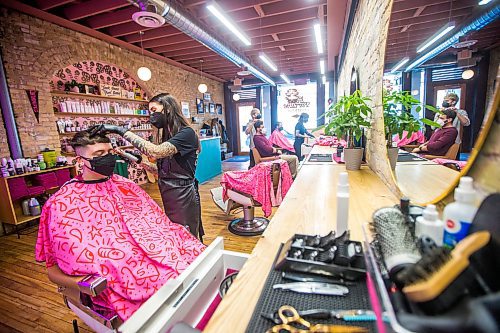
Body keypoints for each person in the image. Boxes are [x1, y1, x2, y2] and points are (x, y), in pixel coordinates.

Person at [35, 130, 205, 321]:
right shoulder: (63, 203)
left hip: (156, 251)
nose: (107, 158)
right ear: (79, 160)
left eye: (110, 152)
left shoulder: (126, 185)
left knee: (194, 253)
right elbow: (56, 267)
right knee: (165, 282)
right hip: (121, 272)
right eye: (99, 155)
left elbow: (157, 224)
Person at [90, 93, 204, 240]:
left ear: (168, 109)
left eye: (154, 110)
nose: (152, 115)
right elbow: (162, 172)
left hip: (183, 194)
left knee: (187, 236)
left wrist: (119, 130)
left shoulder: (186, 134)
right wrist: (132, 157)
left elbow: (155, 151)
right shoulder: (169, 137)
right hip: (169, 192)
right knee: (177, 234)